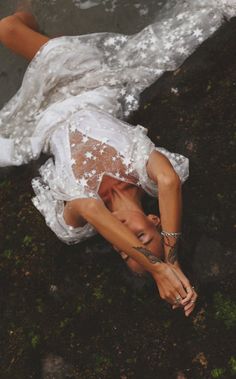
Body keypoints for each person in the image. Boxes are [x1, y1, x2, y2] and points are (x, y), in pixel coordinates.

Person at [0, 1, 234, 316]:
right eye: (139, 237)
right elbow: (170, 181)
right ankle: (31, 17)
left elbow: (90, 207)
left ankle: (36, 27)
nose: (124, 243)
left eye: (125, 252)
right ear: (155, 221)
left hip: (41, 115)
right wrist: (167, 263)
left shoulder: (77, 221)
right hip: (85, 81)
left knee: (13, 31)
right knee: (9, 28)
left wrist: (153, 266)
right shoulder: (145, 172)